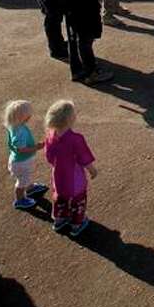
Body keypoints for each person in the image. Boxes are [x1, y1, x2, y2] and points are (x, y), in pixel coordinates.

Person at [44, 99, 97, 237]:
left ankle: (59, 220)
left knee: (60, 198)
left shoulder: (50, 136)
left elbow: (49, 157)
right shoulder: (76, 139)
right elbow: (84, 158)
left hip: (58, 176)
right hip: (74, 178)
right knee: (77, 200)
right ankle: (76, 224)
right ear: (70, 120)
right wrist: (92, 170)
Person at [3, 100, 47, 209]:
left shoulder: (14, 126)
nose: (30, 116)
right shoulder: (19, 132)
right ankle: (20, 200)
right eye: (28, 114)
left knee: (25, 177)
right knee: (21, 181)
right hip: (21, 162)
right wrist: (36, 147)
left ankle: (30, 188)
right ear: (21, 117)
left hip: (20, 161)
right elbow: (21, 149)